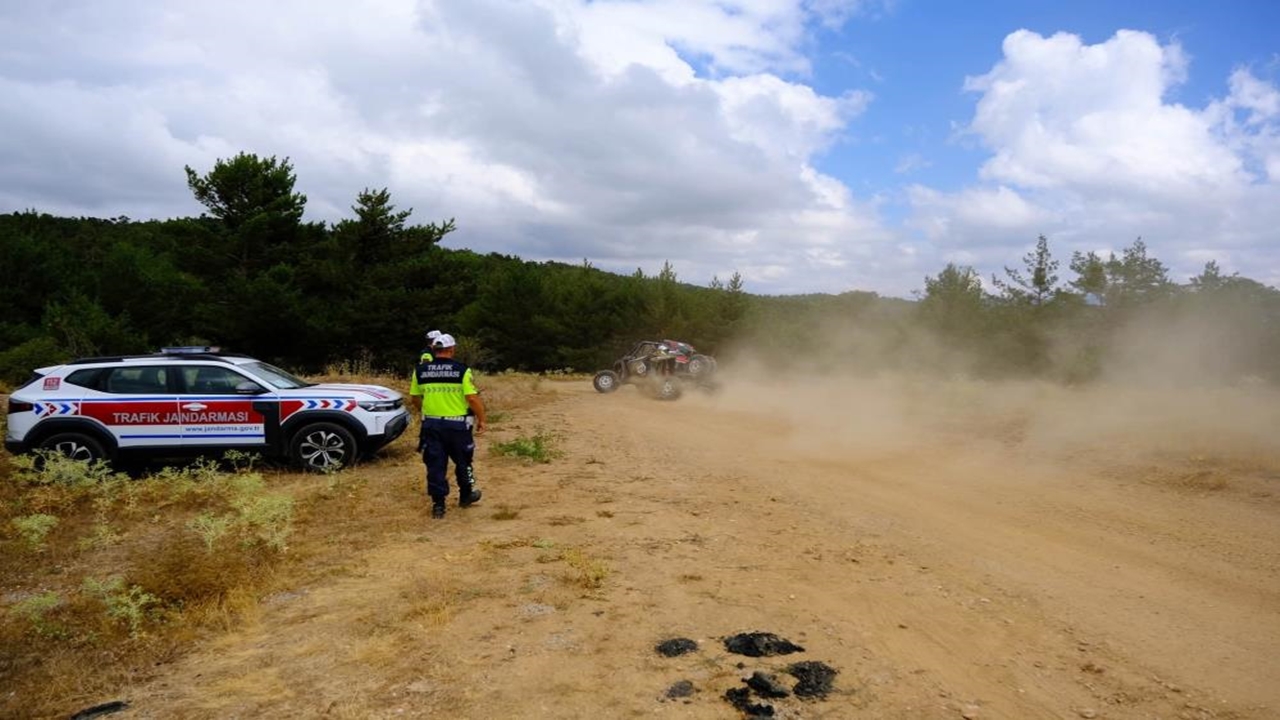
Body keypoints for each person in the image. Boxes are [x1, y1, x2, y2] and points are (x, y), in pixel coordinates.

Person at [408, 333, 487, 519]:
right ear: (452, 349)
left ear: (434, 350)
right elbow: (472, 398)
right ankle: (466, 495)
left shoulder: (420, 370)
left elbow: (414, 398)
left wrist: (425, 413)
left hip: (432, 425)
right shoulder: (462, 370)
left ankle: (438, 505)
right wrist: (482, 418)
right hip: (458, 426)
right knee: (465, 463)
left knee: (435, 464)